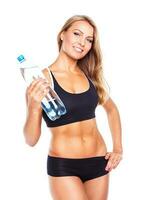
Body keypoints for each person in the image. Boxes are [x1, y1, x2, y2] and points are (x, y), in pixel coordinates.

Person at [23, 15, 123, 200]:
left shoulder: (90, 75)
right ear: (62, 35)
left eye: (89, 39)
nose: (82, 42)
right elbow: (31, 140)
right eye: (77, 34)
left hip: (99, 163)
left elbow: (112, 110)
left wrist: (118, 148)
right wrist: (34, 107)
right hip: (64, 166)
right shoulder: (41, 79)